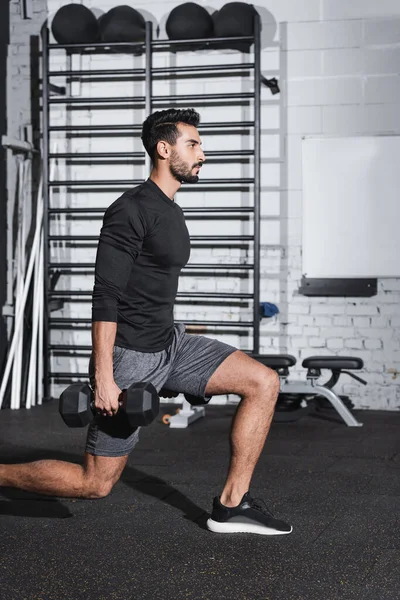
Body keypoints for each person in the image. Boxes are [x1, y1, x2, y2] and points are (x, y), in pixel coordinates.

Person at [0, 108, 292, 536]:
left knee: (263, 382)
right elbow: (105, 297)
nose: (202, 154)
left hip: (170, 344)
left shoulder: (170, 207)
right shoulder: (130, 209)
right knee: (95, 483)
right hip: (131, 357)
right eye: (193, 144)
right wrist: (103, 378)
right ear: (164, 148)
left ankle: (231, 505)